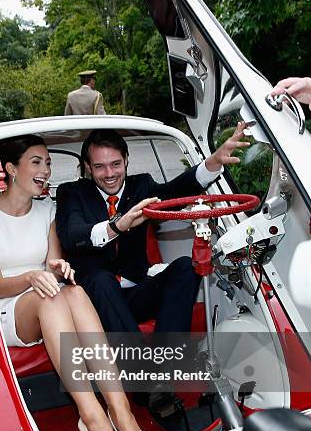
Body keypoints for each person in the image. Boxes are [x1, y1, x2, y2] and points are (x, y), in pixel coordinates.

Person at [0, 134, 153, 431]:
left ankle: (120, 409)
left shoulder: (48, 210)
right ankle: (90, 414)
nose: (46, 170)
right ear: (10, 169)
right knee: (50, 298)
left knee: (74, 290)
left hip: (51, 293)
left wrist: (58, 268)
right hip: (10, 307)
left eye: (48, 162)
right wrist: (33, 277)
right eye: (36, 162)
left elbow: (53, 264)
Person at [55, 124, 249, 335]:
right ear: (88, 167)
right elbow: (72, 236)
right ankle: (139, 364)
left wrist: (213, 162)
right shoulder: (72, 192)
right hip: (93, 304)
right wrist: (118, 226)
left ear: (127, 160)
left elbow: (176, 193)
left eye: (116, 164)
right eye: (100, 166)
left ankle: (169, 359)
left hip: (136, 293)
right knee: (101, 280)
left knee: (186, 266)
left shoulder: (141, 186)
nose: (109, 173)